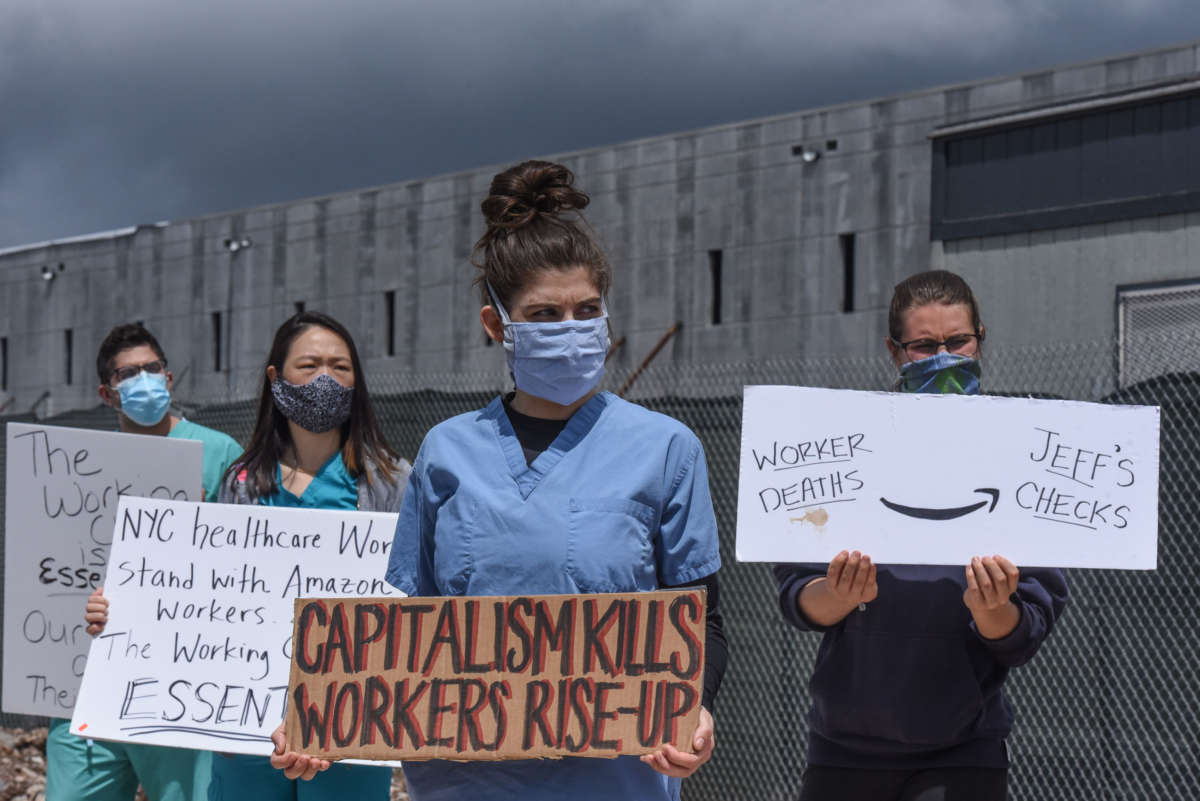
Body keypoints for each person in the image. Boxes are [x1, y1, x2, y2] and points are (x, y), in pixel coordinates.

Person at [269, 160, 728, 801]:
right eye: (543, 315)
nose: (570, 330)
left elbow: (700, 619)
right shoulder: (446, 452)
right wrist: (325, 720)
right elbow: (413, 631)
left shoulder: (667, 449)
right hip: (465, 782)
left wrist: (695, 710)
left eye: (586, 309)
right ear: (497, 327)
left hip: (616, 781)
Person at [773, 270, 1069, 801]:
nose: (944, 357)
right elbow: (797, 598)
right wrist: (837, 596)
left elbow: (1025, 631)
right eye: (924, 346)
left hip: (962, 756)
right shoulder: (844, 449)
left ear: (981, 338)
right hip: (843, 753)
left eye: (959, 341)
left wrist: (991, 609)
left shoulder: (1022, 455)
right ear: (894, 351)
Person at [209, 310, 411, 801]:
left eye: (340, 367)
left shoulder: (392, 481)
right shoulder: (239, 484)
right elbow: (205, 597)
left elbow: (412, 596)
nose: (326, 378)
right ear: (276, 378)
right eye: (310, 365)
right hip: (248, 726)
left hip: (350, 722)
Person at [50, 323, 242, 801]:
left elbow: (246, 567)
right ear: (106, 392)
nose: (143, 380)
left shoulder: (220, 454)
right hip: (87, 675)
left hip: (178, 680)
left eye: (151, 369)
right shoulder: (74, 464)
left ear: (169, 378)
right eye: (127, 373)